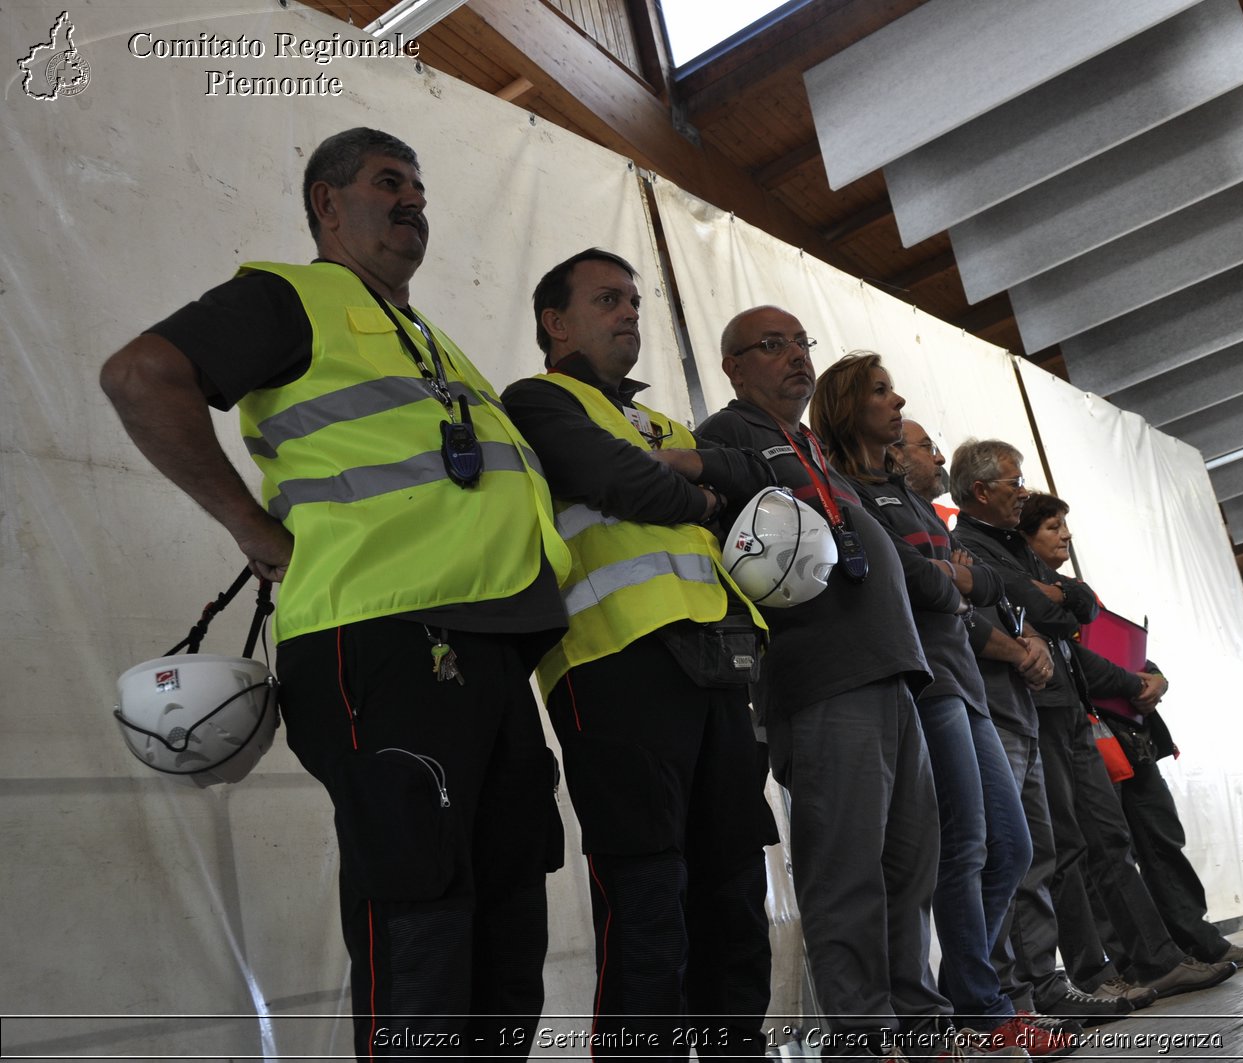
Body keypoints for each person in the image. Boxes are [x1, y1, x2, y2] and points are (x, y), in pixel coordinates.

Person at [99, 127, 571, 1057]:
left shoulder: (425, 339)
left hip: (484, 644)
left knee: (508, 913)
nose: (413, 202)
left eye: (421, 188)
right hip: (382, 640)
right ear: (327, 203)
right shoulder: (290, 295)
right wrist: (250, 527)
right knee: (423, 920)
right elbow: (140, 376)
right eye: (388, 182)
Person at [500, 248, 779, 1057]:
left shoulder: (666, 425)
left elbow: (757, 494)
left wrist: (697, 475)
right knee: (649, 894)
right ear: (555, 322)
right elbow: (613, 480)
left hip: (720, 663)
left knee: (733, 889)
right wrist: (699, 492)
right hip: (613, 665)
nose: (629, 313)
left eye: (633, 300)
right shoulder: (539, 399)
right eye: (607, 299)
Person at [810, 359, 1090, 1056]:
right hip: (927, 681)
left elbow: (984, 576)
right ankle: (981, 1004)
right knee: (964, 845)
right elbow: (910, 580)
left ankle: (975, 990)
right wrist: (953, 583)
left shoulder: (902, 495)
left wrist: (958, 580)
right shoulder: (843, 487)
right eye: (882, 392)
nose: (898, 398)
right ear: (852, 409)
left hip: (962, 683)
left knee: (1011, 844)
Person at [696, 309, 950, 1059]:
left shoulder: (810, 446)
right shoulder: (728, 434)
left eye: (801, 343)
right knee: (847, 872)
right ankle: (865, 1039)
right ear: (734, 365)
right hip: (823, 682)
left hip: (891, 674)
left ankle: (921, 1024)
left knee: (911, 866)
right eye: (772, 346)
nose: (795, 358)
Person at [948, 441, 1236, 1012]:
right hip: (1036, 708)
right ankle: (1093, 974)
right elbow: (1047, 611)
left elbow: (1077, 604)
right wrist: (1048, 600)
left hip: (1069, 705)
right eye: (1015, 482)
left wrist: (1054, 597)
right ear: (982, 491)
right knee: (1062, 850)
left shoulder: (1008, 546)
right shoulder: (969, 547)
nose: (1023, 491)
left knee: (1109, 837)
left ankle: (1157, 962)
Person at [1017, 494, 1243, 970]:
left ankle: (1197, 940)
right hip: (1084, 732)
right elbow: (1080, 664)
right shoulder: (1035, 600)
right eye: (1052, 527)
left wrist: (1156, 677)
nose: (1065, 535)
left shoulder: (1074, 594)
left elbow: (1117, 647)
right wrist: (1132, 682)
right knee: (1105, 853)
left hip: (1131, 733)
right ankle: (1137, 961)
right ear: (1026, 538)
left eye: (1065, 524)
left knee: (1160, 838)